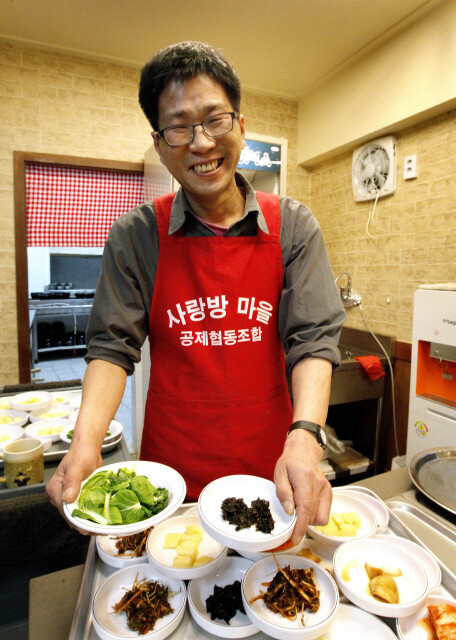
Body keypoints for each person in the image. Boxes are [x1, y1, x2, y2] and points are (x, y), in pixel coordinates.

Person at [46, 41, 345, 543]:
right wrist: (85, 443)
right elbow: (110, 348)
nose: (201, 142)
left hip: (274, 470)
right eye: (180, 127)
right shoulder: (136, 235)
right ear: (160, 145)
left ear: (241, 126)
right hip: (172, 476)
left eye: (214, 119)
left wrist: (307, 438)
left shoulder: (292, 226)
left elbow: (313, 338)